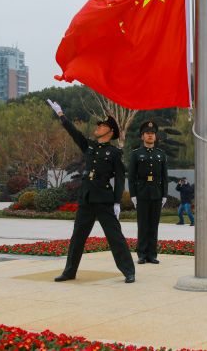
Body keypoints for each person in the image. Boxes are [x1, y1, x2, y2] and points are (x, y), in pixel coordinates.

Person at [47, 99, 135, 284]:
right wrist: (61, 114)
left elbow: (119, 178)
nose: (98, 127)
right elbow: (74, 133)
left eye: (102, 126)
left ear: (110, 132)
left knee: (115, 237)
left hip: (103, 199)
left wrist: (117, 202)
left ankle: (128, 271)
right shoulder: (89, 146)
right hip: (86, 197)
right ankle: (69, 271)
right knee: (78, 236)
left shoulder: (115, 152)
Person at [128, 120, 168, 265]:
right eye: (147, 134)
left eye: (152, 134)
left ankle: (152, 254)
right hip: (142, 192)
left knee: (153, 225)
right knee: (143, 225)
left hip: (156, 193)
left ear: (155, 137)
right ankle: (142, 254)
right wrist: (133, 194)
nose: (150, 136)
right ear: (142, 136)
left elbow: (164, 176)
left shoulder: (161, 155)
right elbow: (131, 176)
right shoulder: (136, 154)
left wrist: (164, 194)